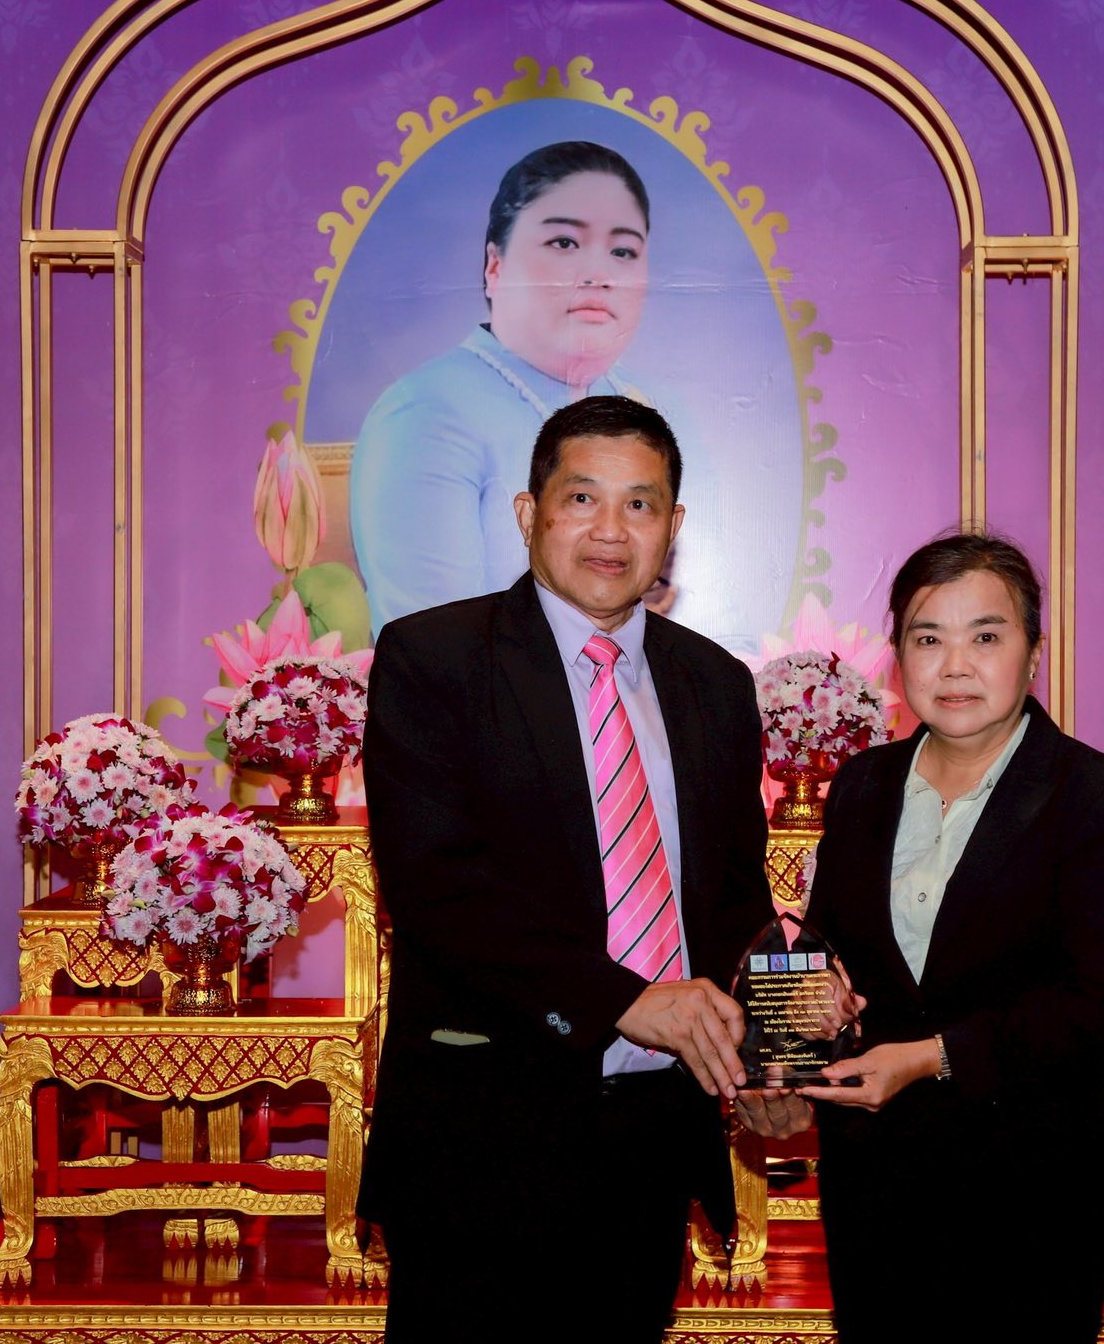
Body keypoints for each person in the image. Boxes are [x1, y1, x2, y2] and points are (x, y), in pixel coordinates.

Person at [360, 395, 772, 1340]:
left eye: (640, 504)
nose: (610, 530)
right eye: (582, 498)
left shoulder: (715, 683)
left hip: (654, 1134)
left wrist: (773, 1054)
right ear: (528, 512)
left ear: (673, 526)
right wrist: (625, 1000)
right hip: (483, 1137)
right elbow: (438, 891)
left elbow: (734, 901)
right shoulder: (435, 659)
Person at [735, 532, 1104, 1342]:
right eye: (928, 639)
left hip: (1030, 1191)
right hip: (876, 1188)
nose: (955, 665)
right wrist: (805, 1034)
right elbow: (832, 958)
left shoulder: (1097, 798)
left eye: (986, 637)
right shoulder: (862, 786)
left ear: (1034, 653)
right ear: (899, 657)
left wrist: (931, 1056)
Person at [350, 141, 657, 637]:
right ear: (495, 266)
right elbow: (435, 649)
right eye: (564, 243)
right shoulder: (426, 414)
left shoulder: (646, 410)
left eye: (622, 251)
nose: (599, 275)